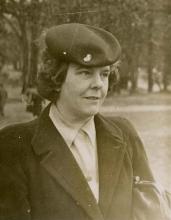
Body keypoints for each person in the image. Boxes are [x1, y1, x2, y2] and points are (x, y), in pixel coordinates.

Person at [0, 23, 170, 220]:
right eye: (85, 73)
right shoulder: (13, 145)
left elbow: (151, 212)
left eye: (104, 74)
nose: (98, 84)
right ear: (56, 77)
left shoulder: (124, 133)